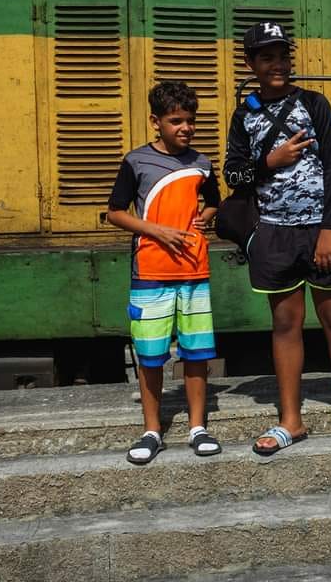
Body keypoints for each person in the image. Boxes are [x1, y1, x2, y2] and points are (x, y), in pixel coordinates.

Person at [223, 21, 331, 456]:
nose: (277, 64)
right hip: (274, 233)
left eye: (282, 55)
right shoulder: (245, 115)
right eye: (266, 57)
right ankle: (290, 422)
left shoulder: (313, 103)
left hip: (320, 230)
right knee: (285, 325)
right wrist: (269, 160)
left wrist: (330, 228)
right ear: (251, 63)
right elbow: (233, 175)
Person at [107, 81, 222, 465]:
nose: (185, 128)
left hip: (194, 271)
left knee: (195, 354)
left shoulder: (202, 164)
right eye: (176, 121)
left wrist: (202, 220)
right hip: (151, 272)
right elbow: (116, 211)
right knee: (151, 356)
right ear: (156, 121)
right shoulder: (136, 161)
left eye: (191, 121)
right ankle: (152, 430)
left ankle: (197, 427)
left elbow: (214, 204)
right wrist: (156, 230)